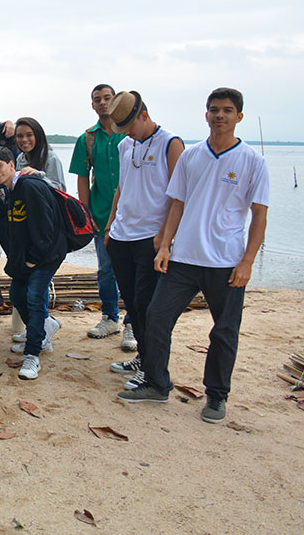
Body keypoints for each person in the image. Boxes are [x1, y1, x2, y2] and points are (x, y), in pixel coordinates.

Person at [119, 88, 268, 425]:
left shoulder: (252, 161)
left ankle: (216, 395)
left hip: (226, 262)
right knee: (156, 317)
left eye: (227, 111)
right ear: (206, 115)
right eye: (214, 110)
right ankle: (157, 383)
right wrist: (165, 245)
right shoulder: (192, 156)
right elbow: (177, 203)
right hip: (184, 258)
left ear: (238, 117)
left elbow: (259, 215)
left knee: (224, 330)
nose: (220, 116)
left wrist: (247, 261)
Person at [102, 92, 184, 388]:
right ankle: (142, 358)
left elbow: (179, 196)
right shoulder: (126, 145)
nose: (128, 135)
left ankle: (152, 368)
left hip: (150, 237)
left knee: (148, 304)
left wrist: (164, 238)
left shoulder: (170, 143)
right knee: (132, 304)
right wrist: (110, 226)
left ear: (144, 115)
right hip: (122, 234)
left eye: (130, 127)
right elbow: (122, 189)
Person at [0, 146, 67, 381]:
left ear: (13, 165)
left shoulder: (29, 186)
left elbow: (45, 226)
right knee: (18, 295)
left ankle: (33, 355)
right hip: (27, 256)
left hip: (47, 254)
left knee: (33, 297)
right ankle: (43, 329)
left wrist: (33, 259)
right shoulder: (10, 190)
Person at [69, 84, 127, 344]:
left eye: (107, 98)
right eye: (97, 100)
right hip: (101, 213)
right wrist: (85, 212)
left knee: (134, 272)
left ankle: (133, 324)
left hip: (134, 215)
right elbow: (82, 178)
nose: (103, 103)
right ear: (92, 105)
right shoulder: (87, 139)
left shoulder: (128, 134)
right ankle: (110, 318)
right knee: (105, 270)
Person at [15, 117, 66, 191]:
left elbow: (59, 190)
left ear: (37, 135)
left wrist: (38, 175)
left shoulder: (50, 157)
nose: (24, 139)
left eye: (29, 135)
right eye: (20, 136)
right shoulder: (21, 159)